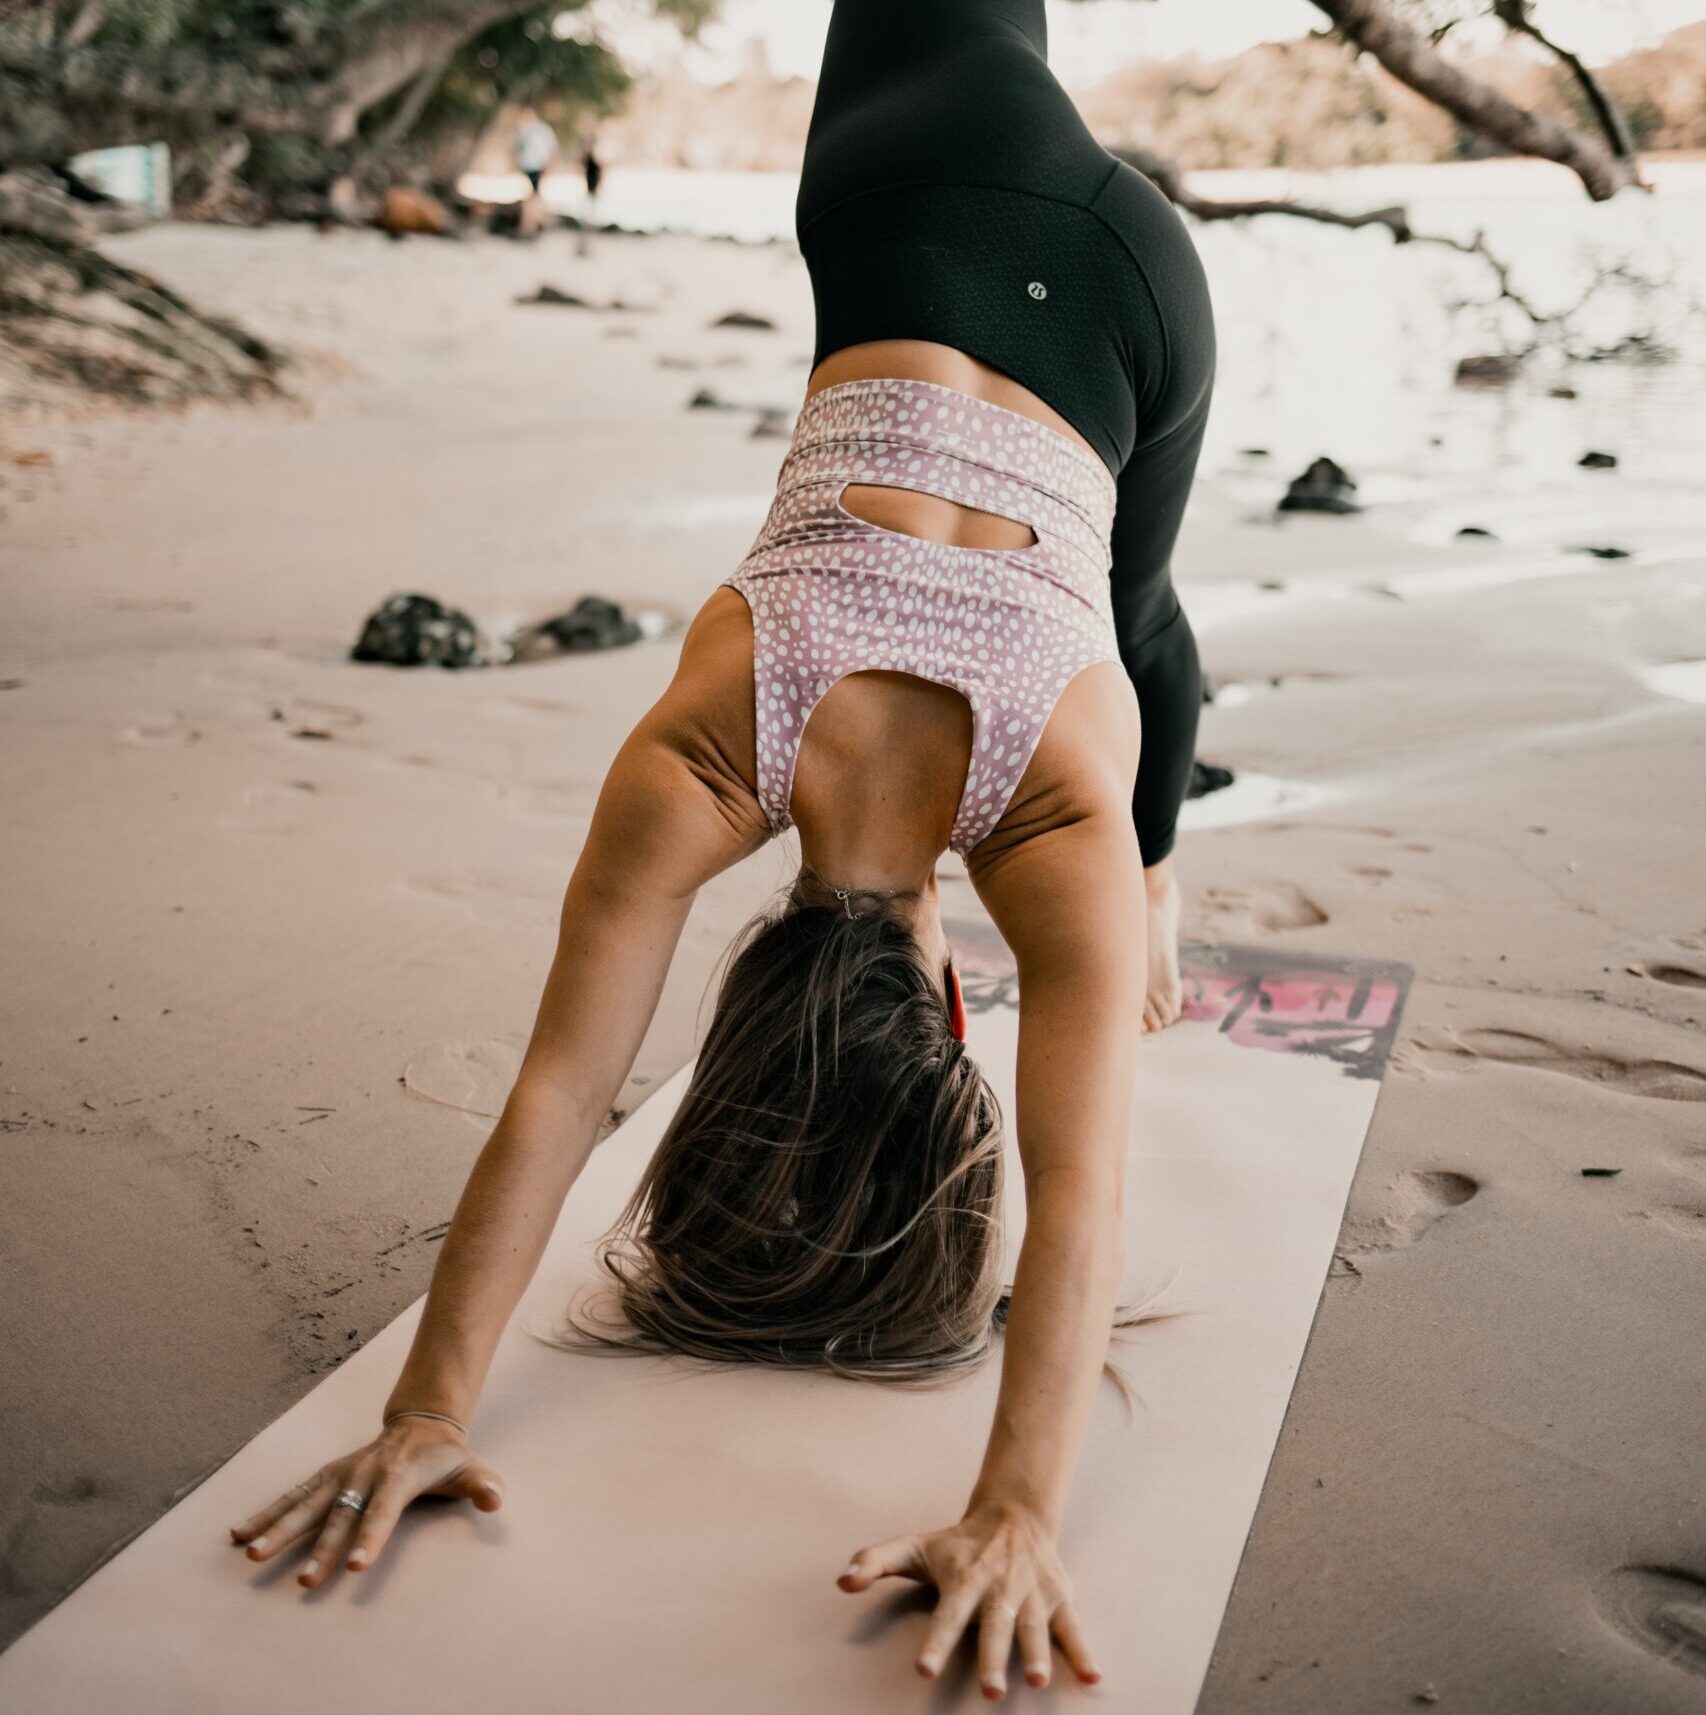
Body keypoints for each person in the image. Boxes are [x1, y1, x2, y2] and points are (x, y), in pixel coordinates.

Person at [229, 1, 1215, 1699]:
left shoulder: (1052, 817)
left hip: (1145, 296)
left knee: (1127, 615)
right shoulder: (709, 752)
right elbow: (551, 1097)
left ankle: (1167, 861)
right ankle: (1165, 862)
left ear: (949, 1011)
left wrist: (1014, 1513)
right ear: (746, 1006)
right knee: (1121, 620)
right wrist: (423, 1415)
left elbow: (1079, 1199)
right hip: (918, 179)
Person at [510, 107, 557, 198]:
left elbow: (551, 146)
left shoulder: (543, 130)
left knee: (536, 189)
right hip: (525, 166)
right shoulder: (520, 130)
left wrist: (551, 163)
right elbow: (515, 148)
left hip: (539, 164)